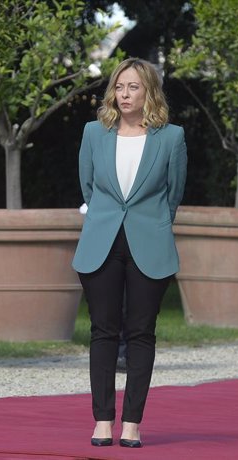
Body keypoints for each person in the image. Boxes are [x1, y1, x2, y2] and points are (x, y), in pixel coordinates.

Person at [72, 57, 187, 449]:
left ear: (149, 92)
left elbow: (173, 194)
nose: (124, 94)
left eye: (133, 87)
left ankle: (132, 424)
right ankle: (103, 420)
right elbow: (89, 188)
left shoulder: (171, 138)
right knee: (103, 332)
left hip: (149, 244)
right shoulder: (93, 133)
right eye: (119, 87)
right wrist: (109, 218)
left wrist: (151, 222)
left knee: (141, 334)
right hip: (101, 243)